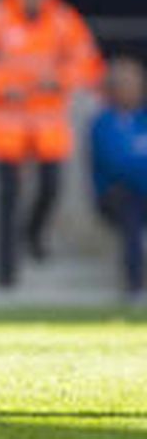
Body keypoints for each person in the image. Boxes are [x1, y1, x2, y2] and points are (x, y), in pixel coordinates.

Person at [0, 0, 106, 288]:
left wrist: (60, 81)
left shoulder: (64, 22)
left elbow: (87, 64)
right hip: (5, 126)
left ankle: (32, 234)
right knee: (8, 198)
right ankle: (5, 273)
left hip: (48, 126)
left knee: (51, 189)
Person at [91, 56, 147, 304]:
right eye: (125, 84)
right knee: (131, 209)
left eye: (136, 83)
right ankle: (134, 288)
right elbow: (115, 164)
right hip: (119, 195)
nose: (132, 89)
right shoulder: (103, 124)